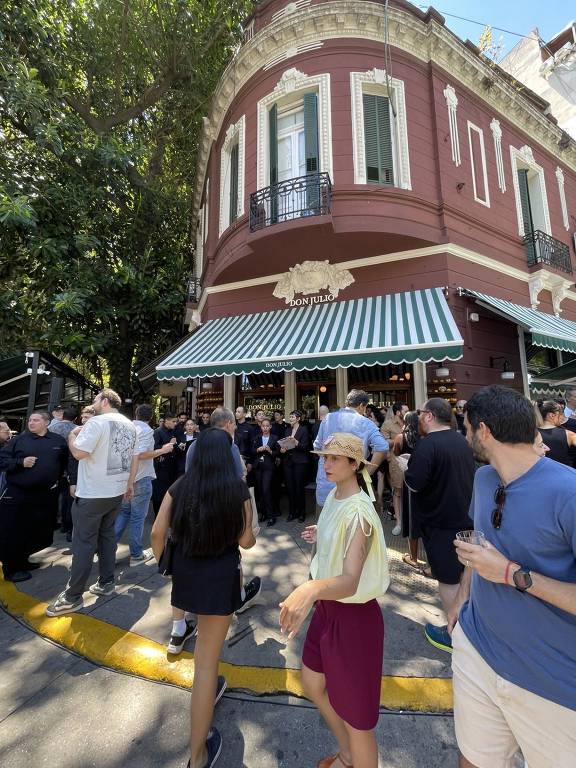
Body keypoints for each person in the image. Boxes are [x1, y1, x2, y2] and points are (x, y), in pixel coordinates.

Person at [449, 385, 576, 768]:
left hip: (551, 681)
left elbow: (500, 567)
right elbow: (481, 546)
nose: (465, 434)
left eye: (467, 427)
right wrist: (460, 601)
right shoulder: (485, 480)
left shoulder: (568, 492)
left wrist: (510, 574)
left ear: (484, 430)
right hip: (477, 650)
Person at [279, 433, 389, 768]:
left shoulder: (359, 512)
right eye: (324, 457)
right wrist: (322, 534)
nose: (326, 464)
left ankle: (353, 755)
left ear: (355, 465)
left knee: (359, 721)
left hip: (355, 619)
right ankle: (347, 754)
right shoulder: (334, 499)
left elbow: (350, 580)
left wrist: (309, 590)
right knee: (312, 682)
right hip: (328, 611)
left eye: (335, 459)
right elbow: (334, 546)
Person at [151, 428, 257, 768]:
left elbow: (156, 533)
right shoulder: (237, 489)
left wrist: (167, 567)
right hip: (219, 578)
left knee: (204, 666)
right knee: (206, 665)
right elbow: (246, 541)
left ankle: (198, 754)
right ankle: (197, 755)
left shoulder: (180, 485)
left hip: (186, 576)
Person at [45, 389, 137, 616]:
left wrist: (72, 436)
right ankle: (106, 582)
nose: (93, 403)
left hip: (94, 492)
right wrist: (129, 484)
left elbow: (78, 453)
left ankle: (72, 596)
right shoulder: (129, 424)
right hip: (116, 490)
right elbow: (133, 458)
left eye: (95, 399)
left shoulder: (96, 423)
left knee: (84, 544)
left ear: (104, 401)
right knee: (106, 538)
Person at [404, 398, 475, 653]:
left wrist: (405, 467)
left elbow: (414, 483)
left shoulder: (427, 446)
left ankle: (454, 633)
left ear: (430, 416)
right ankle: (468, 627)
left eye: (421, 412)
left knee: (447, 581)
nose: (419, 417)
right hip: (466, 520)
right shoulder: (462, 441)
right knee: (464, 577)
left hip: (440, 524)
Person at [0, 412, 68, 582]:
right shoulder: (19, 440)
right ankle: (12, 570)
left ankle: (23, 561)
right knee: (14, 532)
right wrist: (20, 462)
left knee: (35, 531)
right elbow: (2, 460)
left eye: (35, 420)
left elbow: (64, 463)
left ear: (46, 422)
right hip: (18, 495)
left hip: (45, 495)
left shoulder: (58, 441)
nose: (31, 422)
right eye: (30, 420)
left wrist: (59, 480)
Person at [116, 404, 173, 567]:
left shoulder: (127, 427)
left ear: (136, 413)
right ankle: (136, 554)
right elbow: (140, 454)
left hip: (127, 479)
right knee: (137, 518)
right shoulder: (147, 430)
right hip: (140, 478)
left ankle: (106, 547)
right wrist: (163, 450)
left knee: (125, 513)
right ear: (152, 416)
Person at [314, 390, 389, 513]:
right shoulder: (366, 423)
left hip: (326, 481)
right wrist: (367, 472)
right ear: (361, 406)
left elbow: (317, 448)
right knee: (351, 527)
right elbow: (382, 447)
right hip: (352, 484)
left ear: (347, 403)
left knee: (325, 527)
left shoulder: (327, 418)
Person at [393, 411, 425, 573]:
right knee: (424, 515)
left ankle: (413, 557)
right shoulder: (425, 438)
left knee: (411, 517)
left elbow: (396, 453)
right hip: (425, 481)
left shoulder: (400, 438)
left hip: (408, 480)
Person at [66, 405, 96, 542]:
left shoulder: (97, 431)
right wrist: (73, 481)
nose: (83, 420)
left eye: (87, 417)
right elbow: (73, 458)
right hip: (80, 478)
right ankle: (72, 533)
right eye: (82, 417)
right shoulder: (77, 432)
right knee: (77, 508)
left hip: (93, 480)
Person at [381, 403, 409, 535]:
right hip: (396, 462)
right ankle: (399, 522)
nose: (408, 411)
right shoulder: (388, 424)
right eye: (406, 410)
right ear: (398, 412)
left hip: (413, 461)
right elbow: (382, 442)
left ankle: (412, 521)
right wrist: (399, 439)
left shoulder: (412, 421)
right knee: (397, 492)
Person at [281, 410, 310, 522]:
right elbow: (285, 445)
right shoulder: (287, 430)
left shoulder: (304, 430)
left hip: (300, 462)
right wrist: (283, 449)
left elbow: (305, 447)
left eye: (292, 417)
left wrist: (296, 442)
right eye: (290, 417)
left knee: (299, 488)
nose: (291, 419)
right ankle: (292, 512)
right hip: (288, 462)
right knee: (290, 489)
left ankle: (301, 513)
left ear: (298, 419)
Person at [252, 418, 280, 526]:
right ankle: (263, 513)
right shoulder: (257, 438)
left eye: (267, 426)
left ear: (270, 427)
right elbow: (252, 451)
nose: (265, 428)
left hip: (269, 467)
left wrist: (270, 451)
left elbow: (278, 453)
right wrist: (258, 450)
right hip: (258, 467)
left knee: (266, 490)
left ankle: (271, 516)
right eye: (263, 426)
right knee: (260, 491)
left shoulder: (275, 438)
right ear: (261, 427)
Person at [151, 413, 178, 516]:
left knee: (168, 493)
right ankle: (157, 517)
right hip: (160, 468)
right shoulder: (157, 432)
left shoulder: (173, 431)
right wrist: (168, 444)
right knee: (158, 494)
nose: (175, 424)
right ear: (166, 421)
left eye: (176, 421)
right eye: (173, 421)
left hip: (171, 467)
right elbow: (154, 448)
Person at [535, 400, 576, 465]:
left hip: (542, 472)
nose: (563, 417)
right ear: (552, 415)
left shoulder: (531, 434)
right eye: (561, 414)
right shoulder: (569, 434)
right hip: (565, 472)